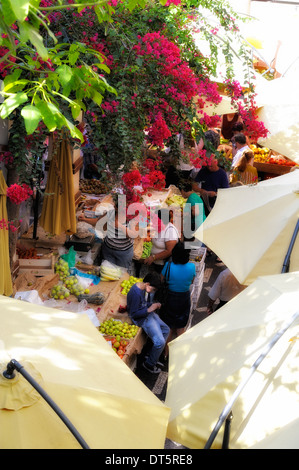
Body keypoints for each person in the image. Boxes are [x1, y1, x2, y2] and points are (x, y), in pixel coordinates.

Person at [127, 272, 170, 374]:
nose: (152, 292)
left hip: (147, 314)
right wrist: (149, 309)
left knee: (166, 330)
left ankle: (152, 356)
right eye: (153, 289)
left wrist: (152, 305)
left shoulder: (141, 288)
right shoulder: (136, 293)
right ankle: (149, 364)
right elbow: (134, 314)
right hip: (142, 319)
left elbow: (143, 304)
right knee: (160, 342)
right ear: (147, 284)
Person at [78, 198, 135, 270]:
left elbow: (133, 235)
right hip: (108, 250)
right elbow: (98, 222)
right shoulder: (111, 213)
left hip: (123, 253)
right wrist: (84, 219)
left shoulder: (132, 217)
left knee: (121, 274)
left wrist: (120, 226)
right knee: (107, 272)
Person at [160, 242, 196, 355]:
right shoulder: (192, 267)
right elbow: (192, 281)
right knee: (180, 328)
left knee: (169, 328)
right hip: (184, 298)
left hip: (170, 298)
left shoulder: (168, 266)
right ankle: (181, 354)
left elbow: (162, 280)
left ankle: (166, 354)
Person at [143, 208, 179, 273]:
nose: (153, 221)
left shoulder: (171, 231)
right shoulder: (159, 227)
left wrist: (153, 257)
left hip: (162, 266)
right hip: (155, 263)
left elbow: (170, 251)